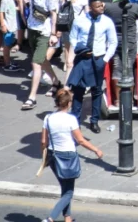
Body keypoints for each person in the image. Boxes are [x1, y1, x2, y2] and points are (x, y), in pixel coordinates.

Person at [41, 88, 103, 222]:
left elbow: (43, 141)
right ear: (69, 103)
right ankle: (50, 219)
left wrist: (45, 158)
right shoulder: (71, 119)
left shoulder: (48, 118)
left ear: (57, 103)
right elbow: (80, 140)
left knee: (65, 187)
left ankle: (67, 218)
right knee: (69, 192)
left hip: (53, 156)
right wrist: (95, 149)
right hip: (68, 156)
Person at [66, 0, 117, 133]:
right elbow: (73, 37)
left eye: (102, 5)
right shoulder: (79, 21)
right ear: (90, 8)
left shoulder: (107, 22)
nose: (102, 8)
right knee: (78, 90)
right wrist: (80, 49)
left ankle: (94, 120)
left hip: (98, 59)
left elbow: (113, 42)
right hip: (83, 59)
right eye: (98, 6)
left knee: (96, 90)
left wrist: (105, 59)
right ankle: (75, 120)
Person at [21, 0, 61, 111]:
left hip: (44, 31)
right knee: (42, 59)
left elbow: (53, 14)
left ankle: (32, 98)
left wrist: (53, 33)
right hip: (32, 28)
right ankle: (56, 82)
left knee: (36, 63)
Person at [0, 0, 20, 71]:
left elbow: (10, 9)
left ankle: (9, 62)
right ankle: (7, 64)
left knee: (9, 44)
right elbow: (1, 12)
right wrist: (3, 24)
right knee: (7, 46)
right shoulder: (4, 0)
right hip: (7, 27)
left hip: (12, 26)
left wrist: (17, 8)